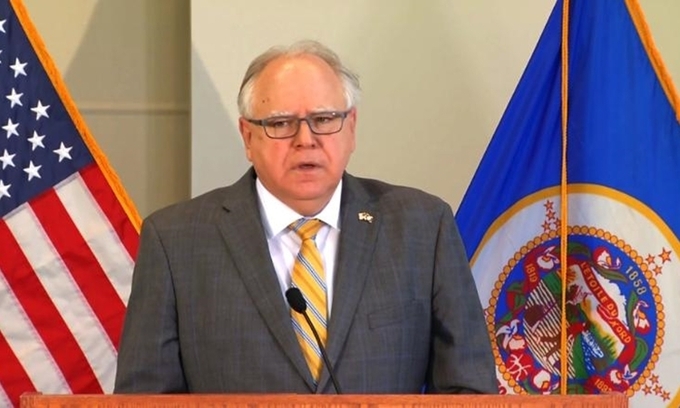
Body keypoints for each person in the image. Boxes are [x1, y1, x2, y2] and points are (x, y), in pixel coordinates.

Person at [114, 39, 497, 394]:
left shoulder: (422, 228)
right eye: (281, 123)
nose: (306, 140)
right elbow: (144, 399)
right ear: (248, 137)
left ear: (351, 128)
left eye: (325, 119)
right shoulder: (176, 242)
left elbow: (469, 390)